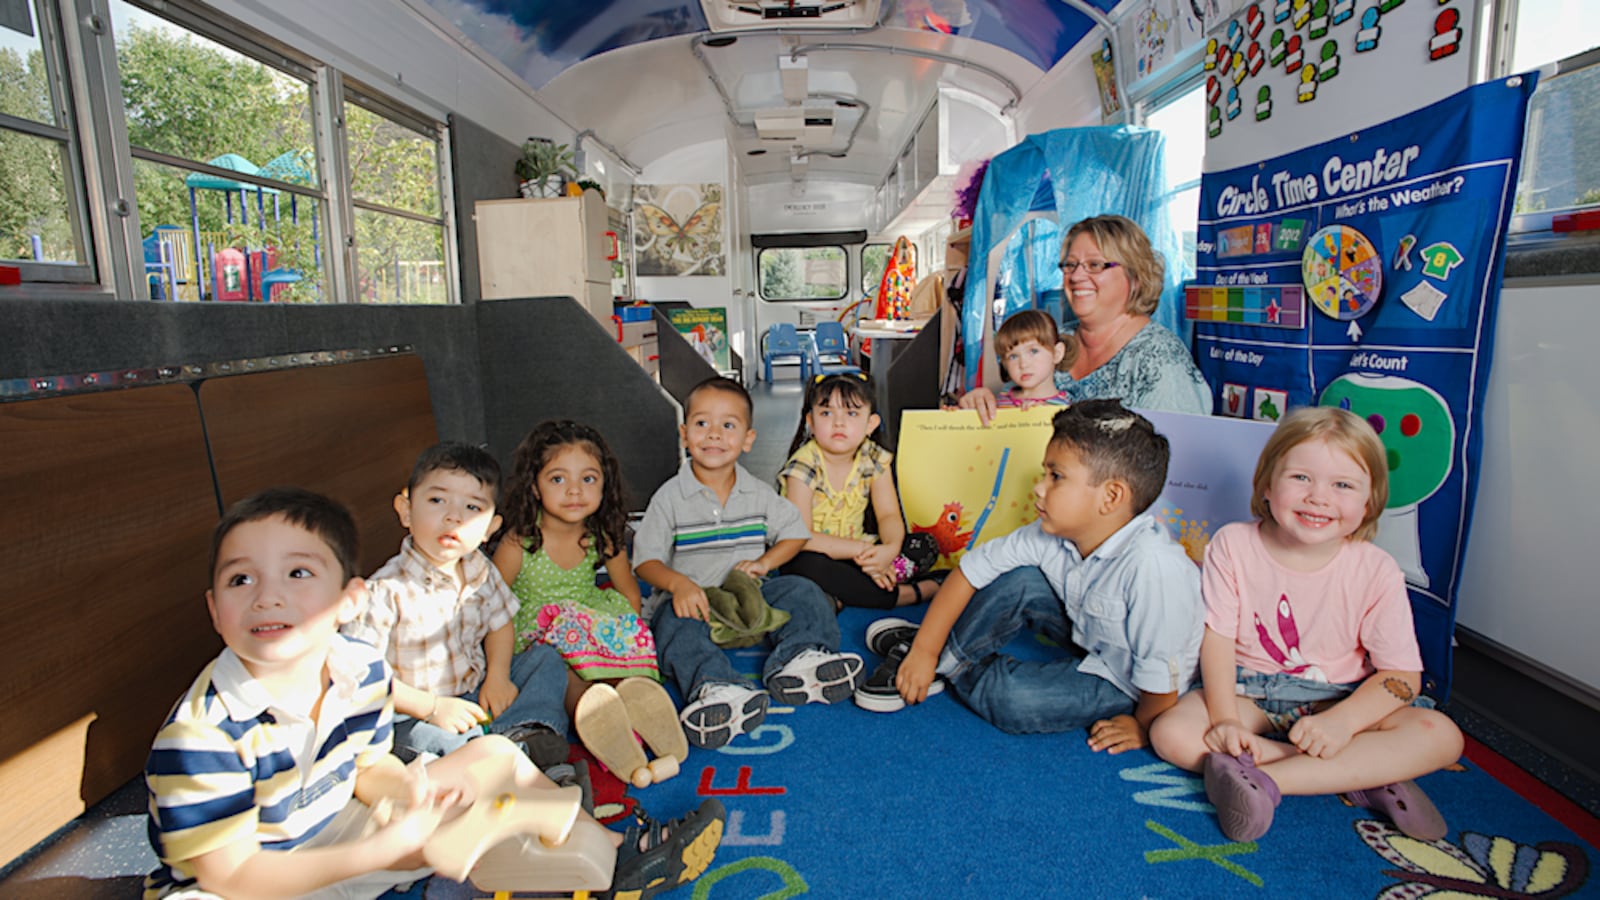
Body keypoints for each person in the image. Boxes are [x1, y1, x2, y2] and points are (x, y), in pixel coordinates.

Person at [144, 488, 726, 900]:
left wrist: (413, 798)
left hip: (335, 832)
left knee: (497, 757)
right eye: (240, 579)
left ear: (351, 601)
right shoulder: (201, 734)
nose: (266, 597)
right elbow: (230, 874)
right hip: (249, 882)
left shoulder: (357, 668)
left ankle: (615, 854)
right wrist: (386, 848)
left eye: (297, 575)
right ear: (215, 609)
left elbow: (367, 767)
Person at [1148, 407, 1463, 843]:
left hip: (1339, 700)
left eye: (1343, 485)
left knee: (1441, 735)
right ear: (1266, 484)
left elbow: (1403, 676)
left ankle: (1274, 779)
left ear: (1370, 500)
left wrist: (1344, 724)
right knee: (1171, 734)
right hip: (1249, 693)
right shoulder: (1233, 544)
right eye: (1301, 478)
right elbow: (1217, 639)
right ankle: (1358, 772)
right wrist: (1226, 722)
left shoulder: (1376, 569)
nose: (1318, 497)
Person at [855, 400, 1203, 756]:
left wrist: (1144, 725)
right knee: (1018, 580)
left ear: (1111, 497)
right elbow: (969, 573)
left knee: (1012, 700)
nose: (1039, 488)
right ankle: (933, 651)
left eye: (1056, 477)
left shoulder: (1154, 567)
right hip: (1091, 633)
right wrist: (925, 652)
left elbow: (1161, 674)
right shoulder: (1048, 531)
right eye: (1044, 474)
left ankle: (946, 657)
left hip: (1127, 681)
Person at [635, 376, 865, 750]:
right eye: (701, 424)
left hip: (753, 602)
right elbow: (645, 561)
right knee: (669, 625)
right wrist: (678, 584)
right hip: (697, 607)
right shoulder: (670, 498)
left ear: (748, 440)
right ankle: (717, 687)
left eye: (728, 425)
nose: (713, 435)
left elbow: (795, 533)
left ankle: (803, 658)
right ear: (684, 434)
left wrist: (765, 562)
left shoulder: (757, 492)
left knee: (803, 591)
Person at [344, 442, 571, 769]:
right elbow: (362, 679)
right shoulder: (382, 592)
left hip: (474, 689)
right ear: (406, 510)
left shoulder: (480, 569)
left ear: (490, 529)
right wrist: (433, 707)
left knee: (545, 660)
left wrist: (498, 676)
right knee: (420, 741)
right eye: (437, 500)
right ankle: (496, 758)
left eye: (472, 508)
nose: (453, 516)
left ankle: (525, 732)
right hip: (415, 710)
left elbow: (500, 624)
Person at [492, 420, 685, 787]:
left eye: (589, 479)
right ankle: (594, 710)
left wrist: (626, 643)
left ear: (604, 484)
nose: (575, 492)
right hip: (539, 633)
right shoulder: (520, 543)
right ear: (535, 486)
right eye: (558, 479)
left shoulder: (601, 534)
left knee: (617, 652)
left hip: (587, 622)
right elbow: (490, 606)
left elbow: (629, 592)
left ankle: (634, 697)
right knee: (560, 673)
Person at [959, 215, 1211, 422]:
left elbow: (1173, 468)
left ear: (1135, 277)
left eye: (1095, 265)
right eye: (1070, 265)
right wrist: (985, 406)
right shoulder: (1052, 339)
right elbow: (1017, 413)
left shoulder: (1162, 361)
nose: (1076, 276)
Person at [779, 372, 941, 610]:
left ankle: (855, 588)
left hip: (861, 555)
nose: (839, 422)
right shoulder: (803, 466)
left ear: (870, 424)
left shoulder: (872, 457)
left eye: (852, 413)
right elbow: (801, 535)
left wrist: (889, 550)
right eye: (826, 413)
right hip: (818, 552)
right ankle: (906, 593)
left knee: (925, 544)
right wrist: (865, 552)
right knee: (804, 567)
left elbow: (888, 515)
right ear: (810, 423)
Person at [990, 309, 1073, 409]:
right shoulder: (998, 402)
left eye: (1033, 351)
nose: (1023, 364)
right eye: (1013, 356)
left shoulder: (1064, 410)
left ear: (1057, 353)